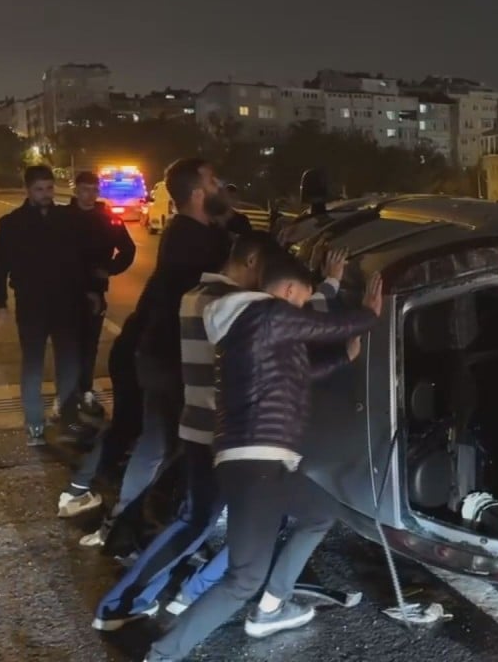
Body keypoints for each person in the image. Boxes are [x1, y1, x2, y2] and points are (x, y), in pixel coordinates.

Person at [145, 254, 381, 661]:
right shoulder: (266, 313)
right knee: (242, 579)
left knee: (320, 513)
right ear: (289, 291)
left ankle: (273, 604)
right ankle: (164, 653)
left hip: (260, 463)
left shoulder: (250, 328)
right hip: (257, 463)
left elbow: (294, 374)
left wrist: (344, 357)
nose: (303, 309)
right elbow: (326, 327)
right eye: (304, 300)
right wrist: (370, 315)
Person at [92, 232, 283, 630]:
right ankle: (164, 596)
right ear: (251, 262)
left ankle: (136, 599)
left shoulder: (195, 294)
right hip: (224, 433)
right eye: (267, 271)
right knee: (245, 518)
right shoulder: (231, 304)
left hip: (197, 425)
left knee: (195, 519)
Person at [83, 158, 232, 550]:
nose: (221, 186)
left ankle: (127, 521)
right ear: (198, 193)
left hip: (161, 354)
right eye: (213, 180)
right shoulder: (193, 240)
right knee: (165, 444)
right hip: (170, 358)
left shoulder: (188, 232)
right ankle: (132, 524)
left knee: (161, 443)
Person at [0, 165, 84, 447]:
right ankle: (34, 424)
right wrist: (0, 303)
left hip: (65, 303)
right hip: (31, 305)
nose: (46, 194)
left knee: (68, 363)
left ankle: (68, 419)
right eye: (39, 189)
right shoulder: (11, 223)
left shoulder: (66, 219)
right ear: (28, 190)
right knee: (32, 365)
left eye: (49, 188)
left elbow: (77, 260)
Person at [60, 311, 145, 520]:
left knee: (126, 427)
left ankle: (81, 488)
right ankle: (123, 518)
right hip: (146, 356)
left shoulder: (170, 284)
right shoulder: (198, 290)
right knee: (145, 432)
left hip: (131, 350)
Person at [69, 171, 137, 421]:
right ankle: (68, 395)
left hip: (95, 292)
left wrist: (109, 269)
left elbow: (128, 249)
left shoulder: (105, 218)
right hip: (65, 292)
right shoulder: (63, 218)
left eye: (94, 190)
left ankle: (84, 390)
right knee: (68, 346)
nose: (90, 195)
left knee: (88, 345)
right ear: (75, 190)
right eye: (85, 189)